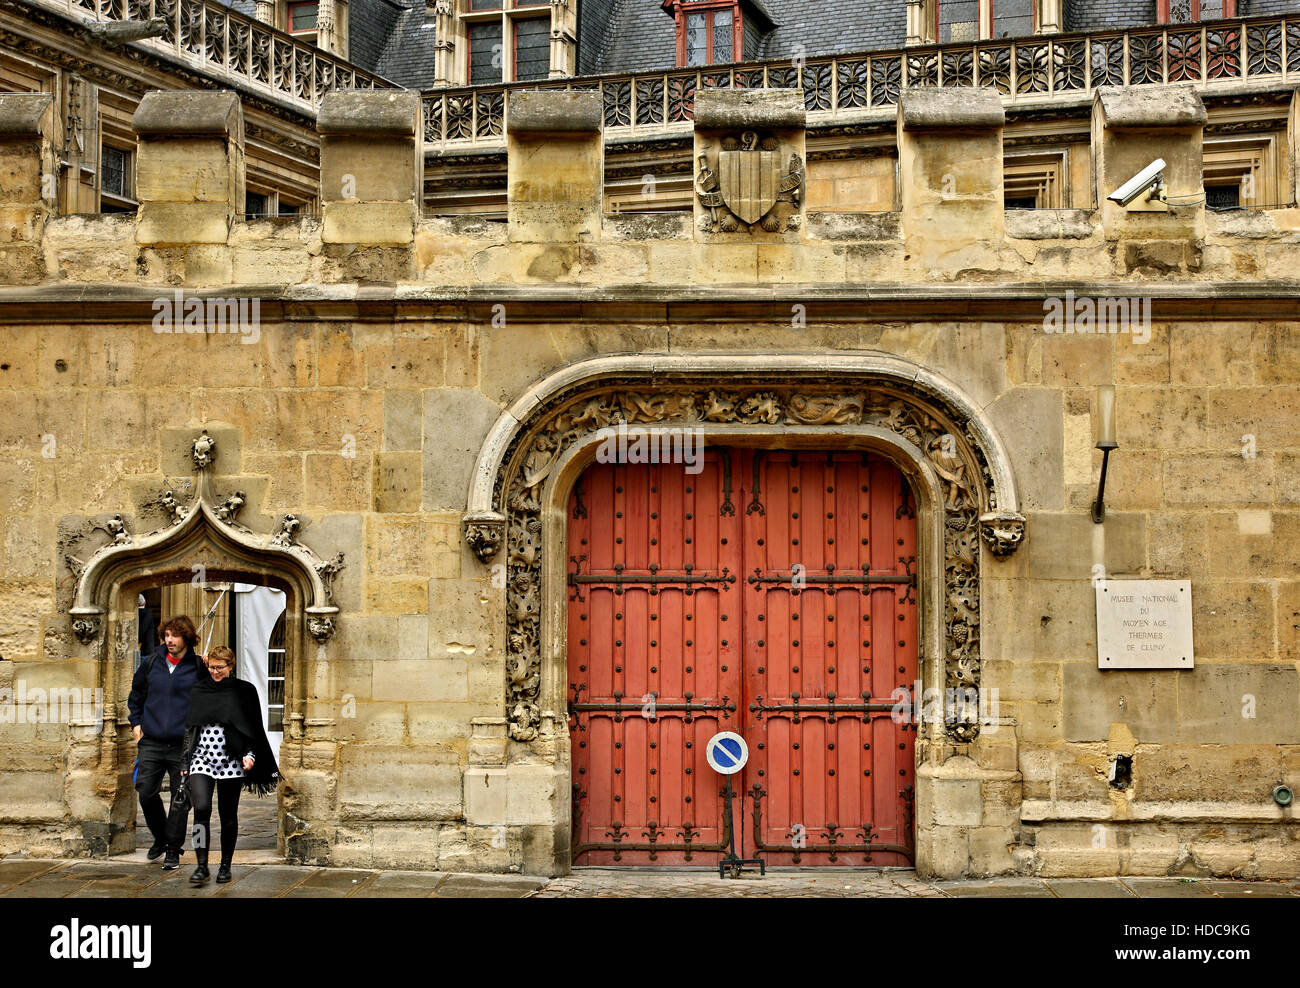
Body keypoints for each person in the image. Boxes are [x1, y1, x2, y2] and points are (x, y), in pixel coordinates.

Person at [179, 645, 279, 885]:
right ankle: (201, 866)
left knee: (228, 815)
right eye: (212, 667)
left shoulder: (242, 691)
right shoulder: (199, 689)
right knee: (201, 808)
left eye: (220, 668)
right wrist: (185, 761)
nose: (215, 672)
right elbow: (190, 728)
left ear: (230, 667)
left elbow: (252, 727)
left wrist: (250, 754)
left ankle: (225, 865)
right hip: (201, 757)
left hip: (231, 759)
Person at [127, 615, 209, 871]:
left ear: (187, 638)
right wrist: (136, 723)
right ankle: (161, 837)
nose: (169, 640)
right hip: (150, 741)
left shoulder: (197, 667)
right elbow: (136, 695)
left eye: (175, 635)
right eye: (166, 635)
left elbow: (213, 695)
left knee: (180, 798)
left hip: (183, 745)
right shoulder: (151, 663)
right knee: (145, 791)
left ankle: (172, 850)